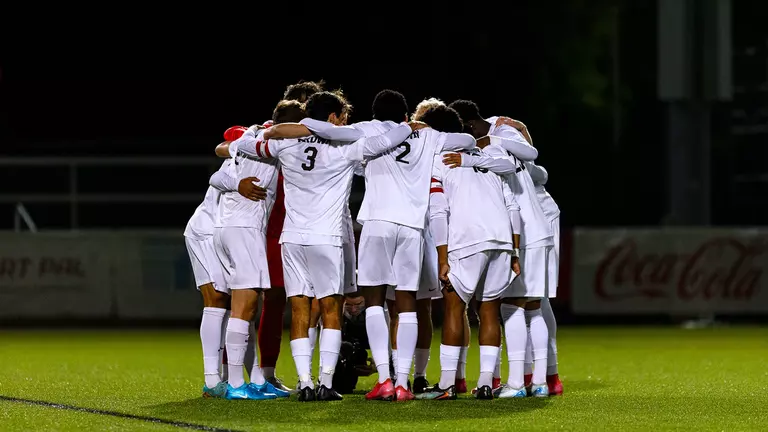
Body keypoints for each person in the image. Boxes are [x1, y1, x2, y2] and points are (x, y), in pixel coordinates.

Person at [230, 90, 424, 401]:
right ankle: (325, 383)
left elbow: (240, 145)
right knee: (331, 309)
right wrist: (409, 126)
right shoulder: (347, 146)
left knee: (299, 309)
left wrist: (273, 129)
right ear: (332, 118)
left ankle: (304, 383)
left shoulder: (285, 143)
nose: (346, 122)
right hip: (327, 238)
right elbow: (386, 142)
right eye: (343, 117)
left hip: (292, 238)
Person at [298, 90, 476, 401]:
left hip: (377, 224)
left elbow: (325, 129)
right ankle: (405, 383)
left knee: (376, 302)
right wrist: (425, 132)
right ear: (406, 115)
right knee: (407, 303)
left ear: (375, 113)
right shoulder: (428, 134)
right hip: (412, 228)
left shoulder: (366, 129)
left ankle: (384, 378)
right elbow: (468, 142)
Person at [446, 100, 554, 398]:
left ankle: (518, 383)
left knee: (512, 306)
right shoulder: (505, 136)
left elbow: (518, 163)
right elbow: (534, 162)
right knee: (533, 307)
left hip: (521, 231)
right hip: (537, 227)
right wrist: (517, 129)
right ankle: (542, 381)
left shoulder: (490, 145)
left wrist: (476, 153)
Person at [418, 106, 522, 400]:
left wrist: (441, 257)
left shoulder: (441, 162)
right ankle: (487, 382)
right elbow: (512, 206)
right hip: (501, 240)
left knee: (454, 306)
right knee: (489, 311)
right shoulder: (487, 159)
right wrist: (514, 251)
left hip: (467, 240)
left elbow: (439, 211)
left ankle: (447, 385)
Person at [212, 108, 308, 401]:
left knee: (244, 307)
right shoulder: (271, 142)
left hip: (227, 227)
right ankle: (237, 385)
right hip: (245, 229)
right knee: (245, 308)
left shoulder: (245, 139)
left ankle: (246, 381)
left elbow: (217, 175)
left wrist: (235, 183)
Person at [256, 80, 326, 394]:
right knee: (271, 300)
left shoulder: (323, 135)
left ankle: (311, 376)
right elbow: (231, 143)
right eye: (306, 103)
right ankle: (264, 372)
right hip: (274, 227)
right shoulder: (272, 130)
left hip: (314, 226)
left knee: (318, 304)